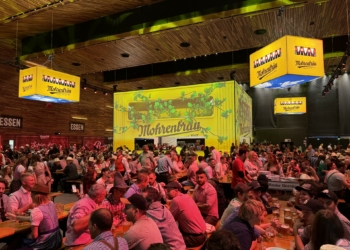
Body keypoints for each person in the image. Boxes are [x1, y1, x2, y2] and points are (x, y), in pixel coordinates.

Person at [6, 183, 62, 249]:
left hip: (46, 243)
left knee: (18, 242)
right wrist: (16, 217)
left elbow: (34, 235)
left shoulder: (37, 210)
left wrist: (29, 237)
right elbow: (34, 218)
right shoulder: (51, 204)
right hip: (57, 239)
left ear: (35, 195)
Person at [65, 184, 107, 249]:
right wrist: (94, 212)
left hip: (90, 241)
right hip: (78, 244)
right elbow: (76, 226)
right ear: (98, 197)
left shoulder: (93, 203)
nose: (104, 199)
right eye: (104, 196)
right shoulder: (83, 205)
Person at [165, 181, 206, 248]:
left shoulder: (176, 200)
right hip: (203, 233)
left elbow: (170, 220)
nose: (166, 193)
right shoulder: (187, 196)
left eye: (168, 191)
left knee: (168, 241)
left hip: (195, 238)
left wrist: (166, 211)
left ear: (176, 190)